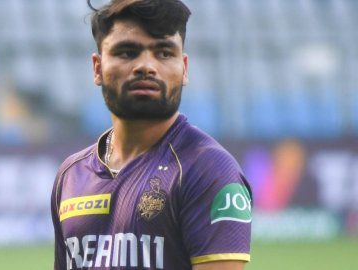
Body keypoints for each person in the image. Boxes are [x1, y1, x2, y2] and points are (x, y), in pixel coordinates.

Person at [51, 0, 252, 269]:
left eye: (164, 53)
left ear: (184, 69)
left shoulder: (208, 169)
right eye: (127, 52)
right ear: (97, 68)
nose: (146, 66)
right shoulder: (71, 175)